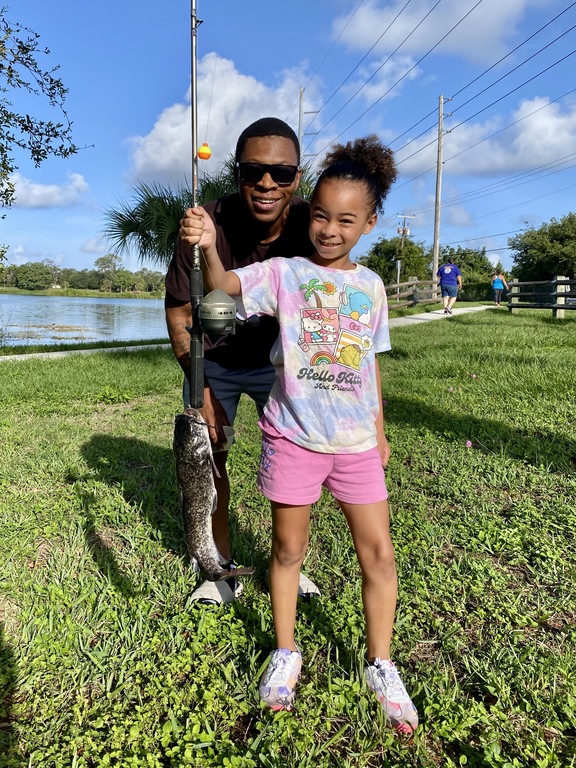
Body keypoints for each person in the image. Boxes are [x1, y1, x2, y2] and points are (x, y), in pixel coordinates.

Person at [186, 134, 418, 733]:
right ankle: (285, 652)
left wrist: (380, 431)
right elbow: (224, 286)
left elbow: (369, 364)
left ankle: (381, 663)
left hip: (357, 447)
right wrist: (210, 244)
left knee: (379, 555)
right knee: (287, 551)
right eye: (320, 215)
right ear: (306, 214)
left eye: (346, 220)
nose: (329, 229)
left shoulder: (372, 288)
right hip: (292, 438)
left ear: (369, 223)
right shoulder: (285, 273)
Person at [166, 117, 319, 605]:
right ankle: (218, 567)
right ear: (236, 174)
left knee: (298, 465)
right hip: (219, 364)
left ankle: (289, 565)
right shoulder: (202, 226)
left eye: (282, 173)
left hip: (286, 365)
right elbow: (179, 308)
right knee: (209, 460)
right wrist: (200, 386)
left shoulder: (313, 226)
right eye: (254, 171)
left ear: (298, 176)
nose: (267, 184)